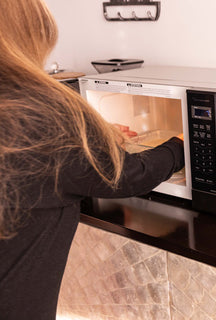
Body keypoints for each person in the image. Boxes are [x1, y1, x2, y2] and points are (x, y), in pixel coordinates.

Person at [0, 1, 184, 319]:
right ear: (32, 32)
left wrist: (95, 135)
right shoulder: (39, 112)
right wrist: (179, 147)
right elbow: (125, 176)